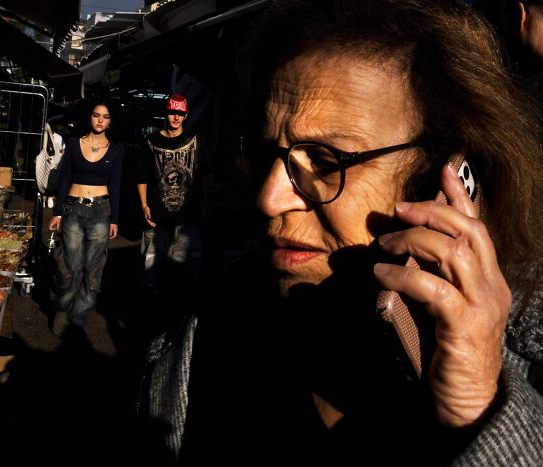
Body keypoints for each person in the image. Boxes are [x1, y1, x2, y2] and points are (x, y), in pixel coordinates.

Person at [131, 1, 543, 465]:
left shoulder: (511, 364)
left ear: (446, 180)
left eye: (327, 163)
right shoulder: (212, 329)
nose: (270, 198)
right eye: (270, 153)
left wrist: (480, 416)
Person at [49, 99, 124, 336]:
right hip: (73, 209)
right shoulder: (73, 144)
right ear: (90, 118)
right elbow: (64, 179)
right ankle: (62, 309)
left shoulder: (116, 149)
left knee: (93, 268)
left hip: (101, 212)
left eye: (105, 117)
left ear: (110, 122)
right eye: (96, 115)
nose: (100, 120)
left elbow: (116, 184)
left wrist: (115, 219)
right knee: (69, 266)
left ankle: (80, 315)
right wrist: (57, 212)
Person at [136, 93, 211, 330]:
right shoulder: (150, 141)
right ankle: (154, 324)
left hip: (188, 219)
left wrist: (204, 205)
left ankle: (181, 325)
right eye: (172, 112)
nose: (176, 117)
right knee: (153, 275)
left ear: (185, 115)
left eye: (180, 113)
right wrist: (144, 204)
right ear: (166, 113)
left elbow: (205, 175)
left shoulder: (196, 140)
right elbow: (142, 175)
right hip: (157, 219)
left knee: (185, 274)